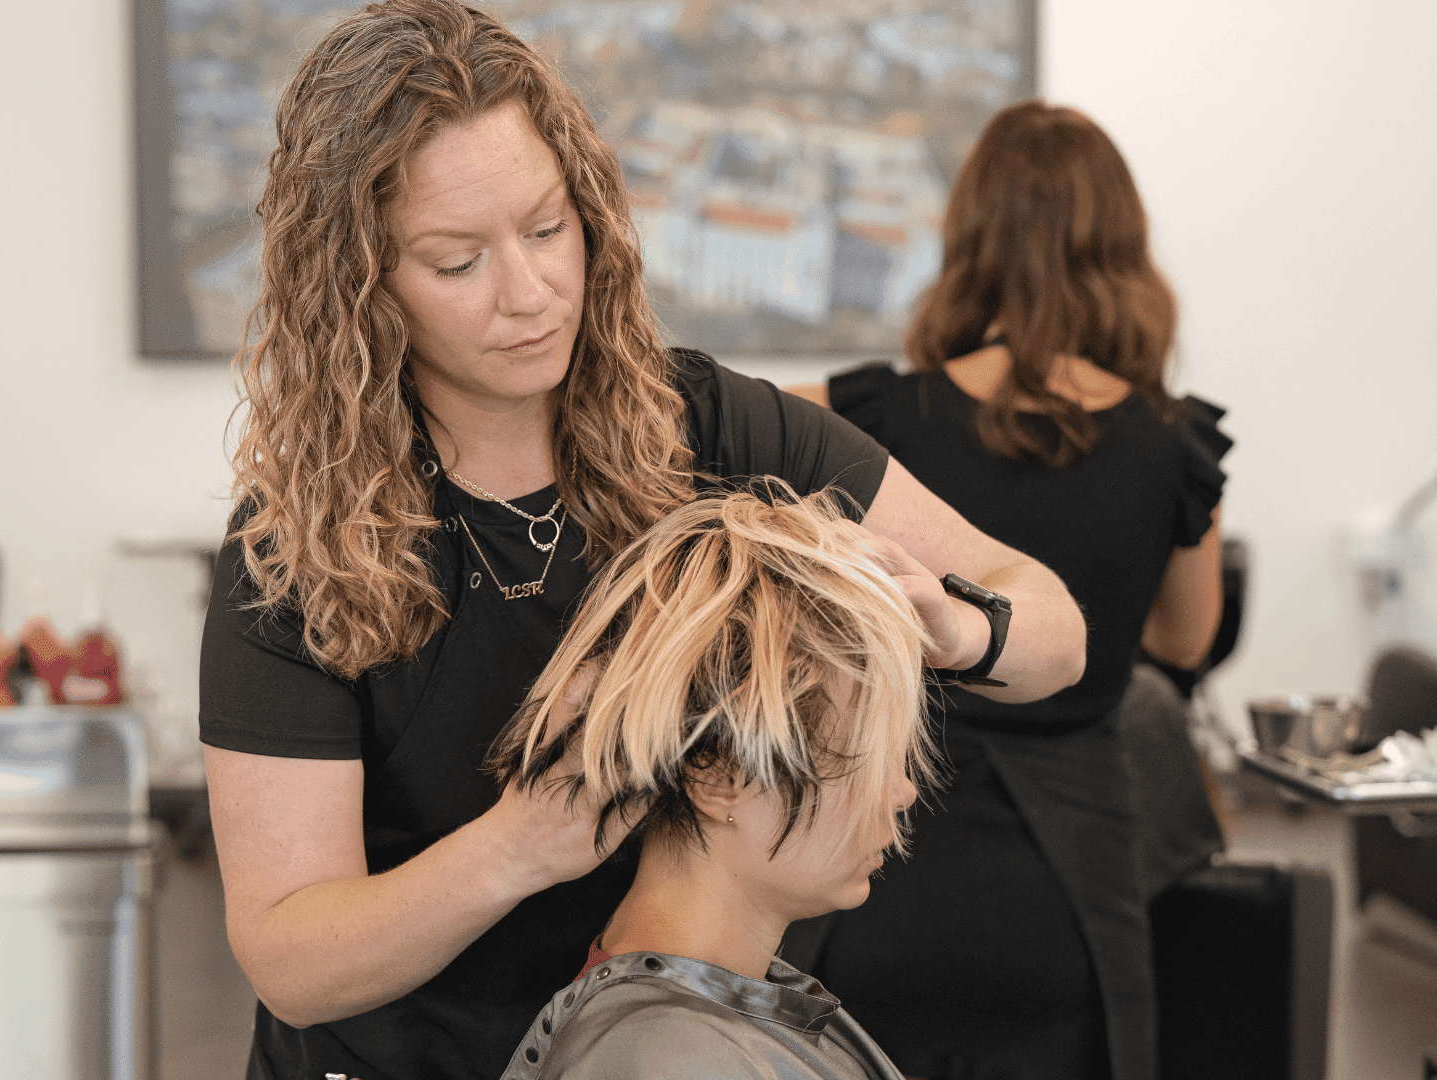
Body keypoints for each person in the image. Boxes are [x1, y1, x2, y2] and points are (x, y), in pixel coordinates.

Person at [196, 6, 1086, 1078]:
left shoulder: (705, 425)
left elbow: (1050, 624)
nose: (529, 295)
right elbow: (291, 957)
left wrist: (959, 626)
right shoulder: (301, 541)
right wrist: (518, 845)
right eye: (456, 262)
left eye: (545, 228)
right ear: (362, 288)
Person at [785, 100, 1232, 1080]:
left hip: (877, 864)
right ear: (1123, 247)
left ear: (967, 241)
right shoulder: (1177, 444)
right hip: (1068, 897)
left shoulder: (864, 415)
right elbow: (1188, 639)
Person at [489, 488, 933, 1080]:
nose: (902, 791)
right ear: (721, 776)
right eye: (870, 755)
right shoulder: (666, 1060)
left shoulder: (701, 1024)